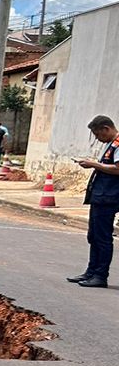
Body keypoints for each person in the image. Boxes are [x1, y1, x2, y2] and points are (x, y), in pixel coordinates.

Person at [70, 115, 119, 288]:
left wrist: (93, 164)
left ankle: (100, 275)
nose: (97, 138)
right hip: (100, 195)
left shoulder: (118, 144)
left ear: (106, 129)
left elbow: (117, 169)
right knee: (94, 236)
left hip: (109, 196)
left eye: (97, 134)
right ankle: (91, 271)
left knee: (103, 237)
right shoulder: (110, 145)